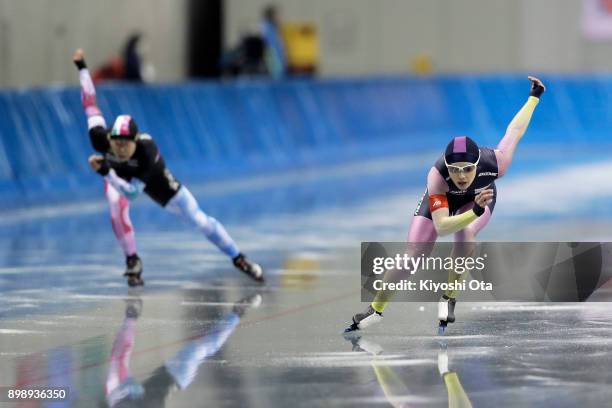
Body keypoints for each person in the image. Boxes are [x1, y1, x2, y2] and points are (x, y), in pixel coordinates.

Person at [345, 76, 546, 334]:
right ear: (447, 168)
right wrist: (473, 210)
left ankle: (448, 297)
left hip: (479, 197)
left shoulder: (497, 163)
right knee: (413, 256)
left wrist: (534, 98)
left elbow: (515, 130)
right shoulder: (437, 178)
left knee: (466, 234)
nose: (461, 176)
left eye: (466, 170)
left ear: (477, 166)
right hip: (450, 203)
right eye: (455, 170)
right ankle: (376, 310)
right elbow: (441, 227)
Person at [72, 48, 264, 286]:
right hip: (118, 177)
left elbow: (132, 192)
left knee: (199, 221)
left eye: (125, 145)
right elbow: (90, 102)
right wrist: (82, 68)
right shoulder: (100, 138)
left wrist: (106, 172)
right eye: (116, 144)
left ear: (136, 140)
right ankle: (133, 260)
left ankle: (239, 258)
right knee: (114, 205)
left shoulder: (147, 150)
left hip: (154, 180)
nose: (119, 149)